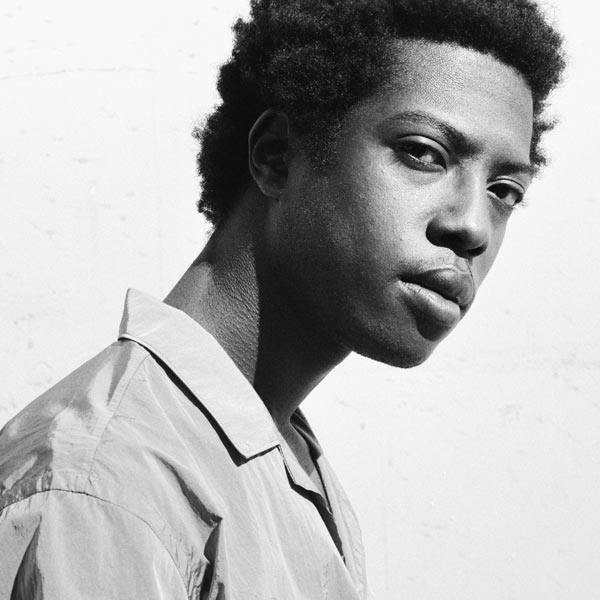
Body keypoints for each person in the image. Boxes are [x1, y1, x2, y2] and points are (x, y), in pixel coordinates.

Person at [0, 0, 564, 598]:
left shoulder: (285, 465)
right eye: (423, 153)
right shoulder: (108, 492)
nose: (472, 226)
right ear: (277, 156)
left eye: (505, 190)